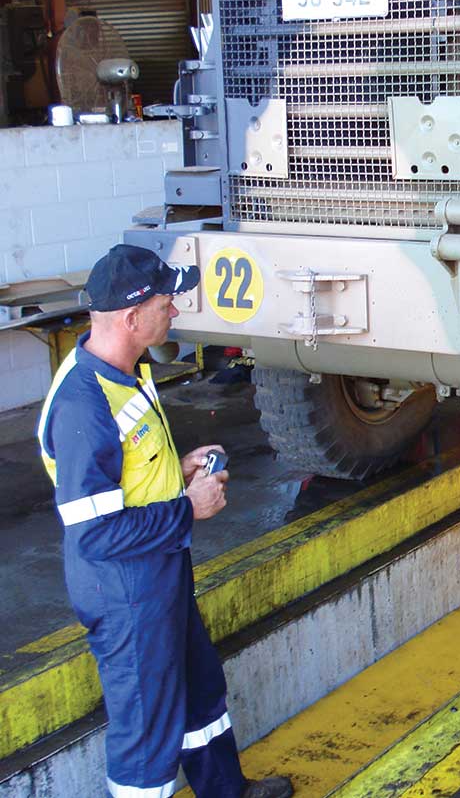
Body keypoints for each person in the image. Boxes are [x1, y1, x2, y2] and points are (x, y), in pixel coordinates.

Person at [36, 245, 292, 798]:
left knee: (200, 696)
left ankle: (227, 791)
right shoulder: (85, 406)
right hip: (125, 592)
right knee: (147, 734)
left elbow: (126, 477)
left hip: (159, 574)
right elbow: (97, 533)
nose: (174, 311)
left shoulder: (123, 372)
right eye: (166, 302)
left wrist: (177, 470)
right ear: (132, 318)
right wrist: (188, 507)